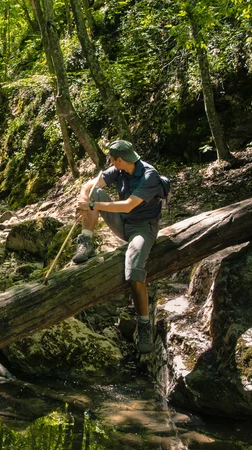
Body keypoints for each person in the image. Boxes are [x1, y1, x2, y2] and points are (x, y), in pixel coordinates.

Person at [73, 140, 164, 354]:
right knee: (94, 192)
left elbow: (128, 204)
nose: (111, 164)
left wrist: (92, 206)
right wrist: (84, 200)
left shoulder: (149, 175)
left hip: (143, 228)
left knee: (133, 272)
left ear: (120, 160)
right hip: (124, 223)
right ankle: (86, 241)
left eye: (112, 160)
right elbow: (89, 185)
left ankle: (144, 325)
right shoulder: (119, 170)